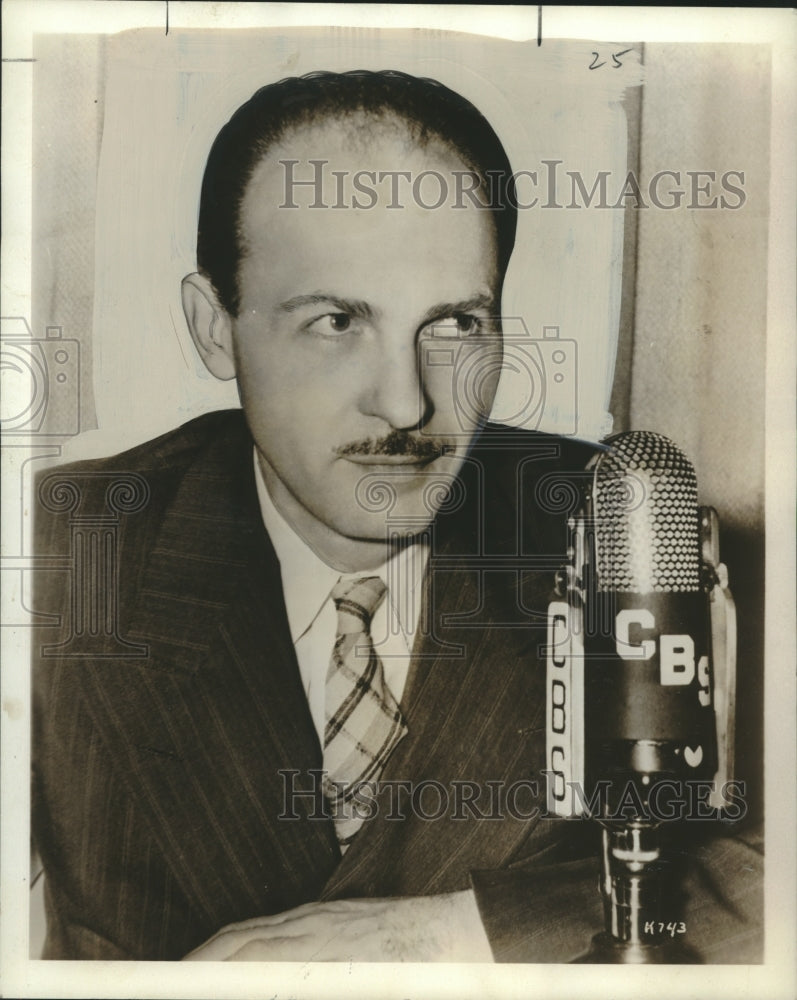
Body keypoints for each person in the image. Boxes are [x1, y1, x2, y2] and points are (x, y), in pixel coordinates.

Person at [31, 70, 761, 963]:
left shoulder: (627, 532)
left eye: (454, 324)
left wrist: (451, 933)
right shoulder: (63, 556)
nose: (408, 404)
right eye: (337, 320)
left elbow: (764, 869)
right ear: (213, 326)